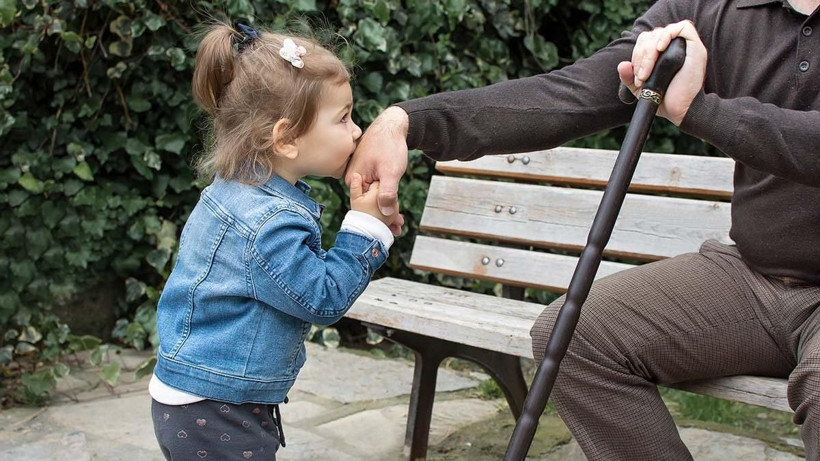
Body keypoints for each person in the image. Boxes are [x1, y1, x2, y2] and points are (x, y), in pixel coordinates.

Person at [346, 0, 820, 459]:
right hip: (753, 276)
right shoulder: (715, 7)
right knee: (574, 339)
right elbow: (572, 94)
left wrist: (701, 111)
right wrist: (407, 122)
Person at [149, 22, 398, 461]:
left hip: (205, 396)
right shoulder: (268, 222)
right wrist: (366, 228)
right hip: (217, 407)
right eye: (343, 118)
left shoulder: (235, 191)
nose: (357, 131)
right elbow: (320, 299)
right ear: (284, 138)